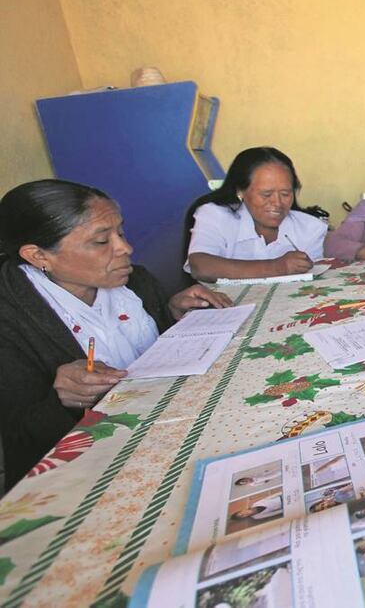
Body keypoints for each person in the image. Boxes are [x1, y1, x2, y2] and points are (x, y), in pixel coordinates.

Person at [0, 180, 232, 491]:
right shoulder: (9, 320)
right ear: (38, 256)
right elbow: (18, 441)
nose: (126, 248)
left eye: (120, 233)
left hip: (168, 431)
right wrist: (62, 400)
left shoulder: (134, 283)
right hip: (85, 478)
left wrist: (170, 313)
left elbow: (148, 358)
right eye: (100, 241)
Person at [185, 146, 327, 282]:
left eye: (285, 194)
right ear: (240, 191)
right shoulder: (215, 215)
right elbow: (201, 266)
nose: (277, 203)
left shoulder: (310, 227)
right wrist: (278, 267)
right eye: (266, 194)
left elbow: (313, 283)